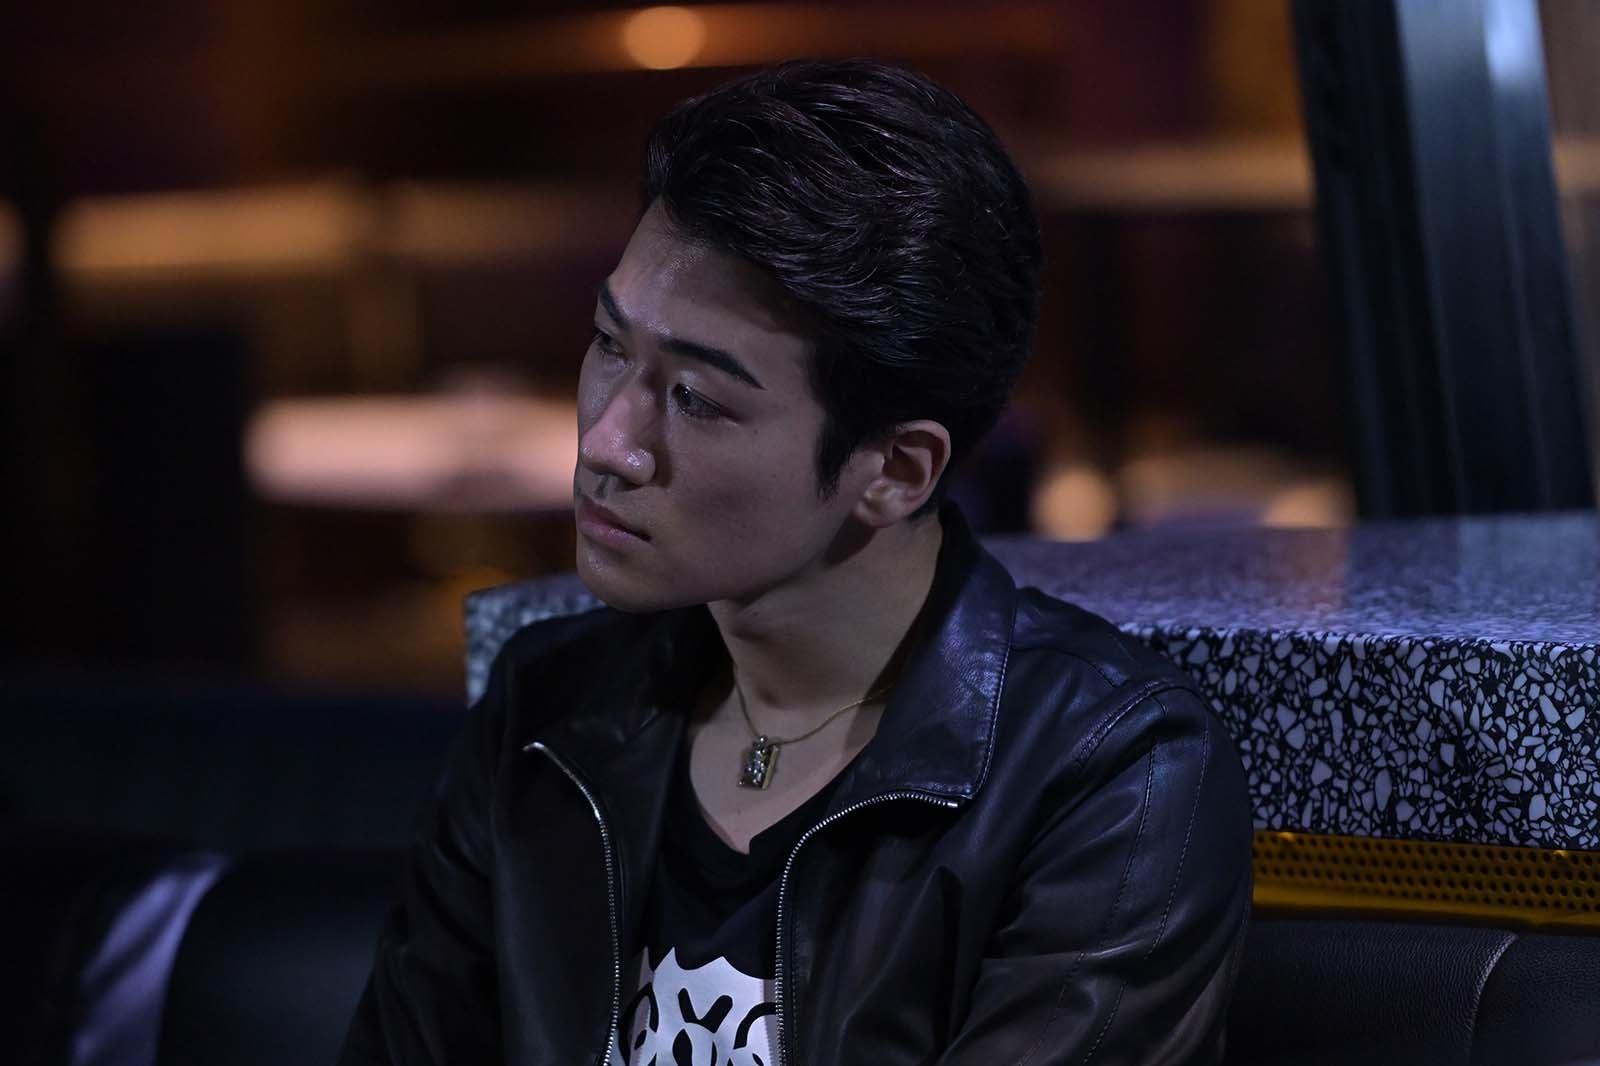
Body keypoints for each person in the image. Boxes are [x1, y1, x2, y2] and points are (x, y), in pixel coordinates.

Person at [340, 58, 1251, 1066]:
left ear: (894, 471)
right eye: (610, 344)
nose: (608, 441)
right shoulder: (547, 711)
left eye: (697, 399)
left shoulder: (1103, 775)